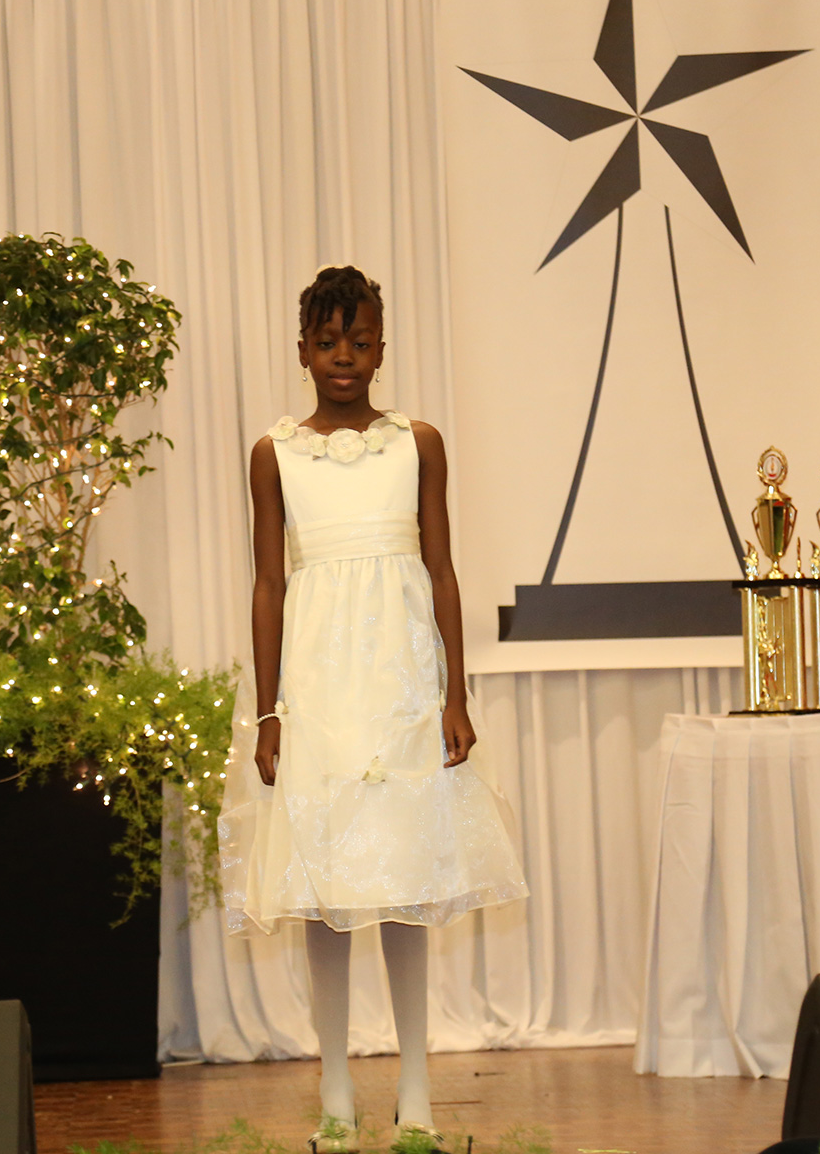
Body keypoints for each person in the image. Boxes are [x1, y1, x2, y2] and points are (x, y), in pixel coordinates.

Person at [218, 266, 528, 1154]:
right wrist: (269, 713)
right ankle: (336, 1091)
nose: (343, 357)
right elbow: (269, 584)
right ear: (302, 350)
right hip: (318, 688)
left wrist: (454, 694)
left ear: (382, 347)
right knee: (324, 890)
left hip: (401, 685)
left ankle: (418, 1091)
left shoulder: (416, 443)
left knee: (404, 881)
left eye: (359, 342)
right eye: (327, 343)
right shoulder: (275, 453)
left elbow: (441, 570)